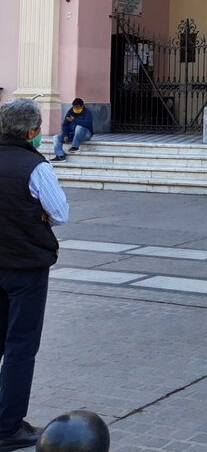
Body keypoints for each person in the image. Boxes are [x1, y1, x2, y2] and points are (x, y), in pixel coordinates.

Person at [0, 98, 69, 451]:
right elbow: (59, 213)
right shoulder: (35, 166)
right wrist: (37, 214)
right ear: (31, 131)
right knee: (20, 347)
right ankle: (8, 426)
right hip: (25, 267)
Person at [50, 98, 94, 163]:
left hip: (85, 134)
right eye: (74, 107)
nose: (76, 109)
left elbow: (88, 124)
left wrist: (74, 120)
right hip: (72, 134)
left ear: (82, 106)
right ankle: (60, 156)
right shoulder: (70, 112)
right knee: (56, 137)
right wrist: (65, 135)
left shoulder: (87, 112)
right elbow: (65, 125)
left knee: (79, 127)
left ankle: (75, 146)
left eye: (78, 108)